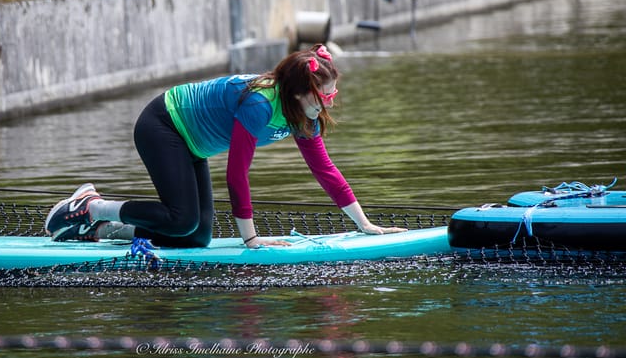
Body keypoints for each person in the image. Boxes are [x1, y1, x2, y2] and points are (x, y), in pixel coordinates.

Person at [44, 43, 407, 248]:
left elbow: (325, 171)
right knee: (181, 218)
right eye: (325, 96)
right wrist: (251, 239)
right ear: (301, 92)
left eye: (333, 95)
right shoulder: (260, 104)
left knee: (196, 236)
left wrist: (366, 225)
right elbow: (236, 175)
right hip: (164, 124)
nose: (330, 102)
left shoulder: (305, 114)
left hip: (193, 144)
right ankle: (91, 207)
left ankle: (101, 231)